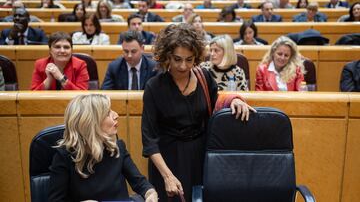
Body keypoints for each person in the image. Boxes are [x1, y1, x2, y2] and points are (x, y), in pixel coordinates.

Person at [141, 23, 255, 202]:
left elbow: (214, 105)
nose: (183, 66)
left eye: (189, 59)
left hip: (200, 154)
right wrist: (167, 176)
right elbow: (149, 140)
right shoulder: (154, 87)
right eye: (177, 59)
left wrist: (234, 99)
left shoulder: (204, 77)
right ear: (167, 56)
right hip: (167, 159)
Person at [48, 94, 158, 202]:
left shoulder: (117, 148)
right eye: (107, 113)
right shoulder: (64, 156)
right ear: (91, 123)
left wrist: (150, 193)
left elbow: (140, 182)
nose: (116, 115)